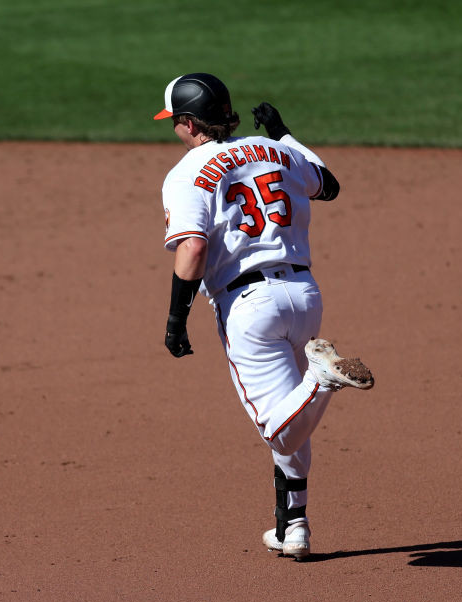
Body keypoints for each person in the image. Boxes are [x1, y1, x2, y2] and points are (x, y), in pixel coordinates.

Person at [154, 73, 374, 560]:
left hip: (250, 308)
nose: (173, 130)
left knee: (277, 425)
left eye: (174, 122)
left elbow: (192, 246)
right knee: (292, 414)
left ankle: (323, 378)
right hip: (304, 295)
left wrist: (175, 320)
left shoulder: (187, 172)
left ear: (190, 123)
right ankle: (293, 525)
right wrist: (283, 134)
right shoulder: (276, 150)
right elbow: (329, 186)